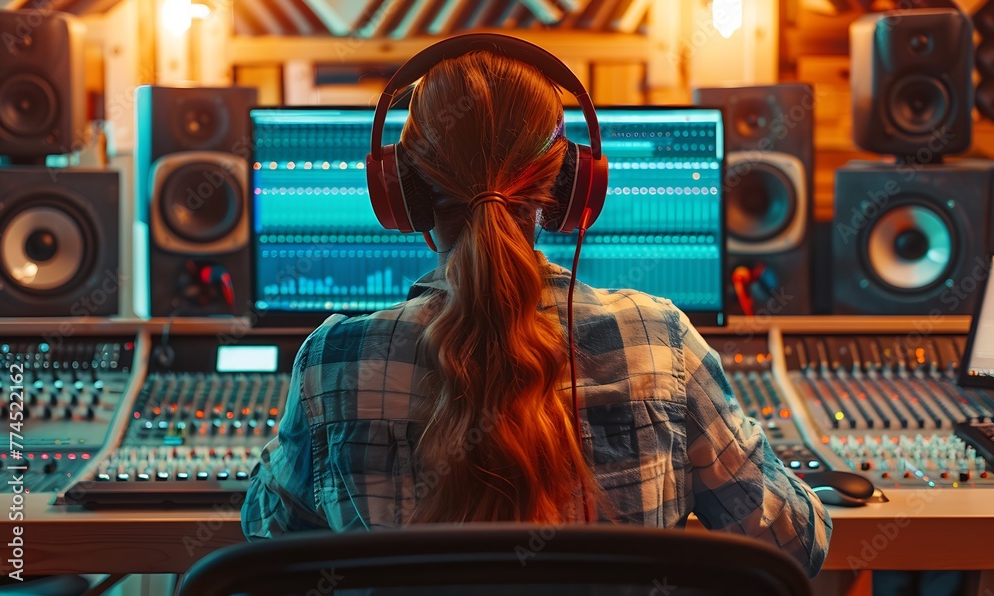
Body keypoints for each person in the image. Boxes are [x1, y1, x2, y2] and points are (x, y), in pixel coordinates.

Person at [241, 48, 832, 578]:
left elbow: (266, 545)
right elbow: (789, 544)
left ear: (402, 193)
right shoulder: (661, 342)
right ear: (570, 188)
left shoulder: (334, 362)